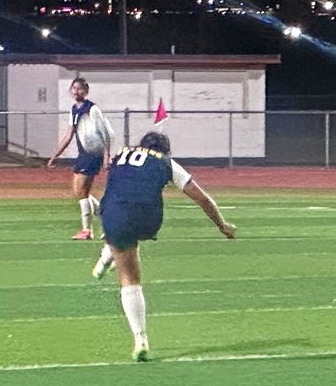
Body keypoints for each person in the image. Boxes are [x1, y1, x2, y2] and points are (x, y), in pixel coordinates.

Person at [91, 131, 236, 361]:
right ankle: (110, 250)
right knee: (129, 237)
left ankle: (140, 338)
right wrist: (222, 225)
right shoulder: (166, 162)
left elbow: (120, 186)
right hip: (148, 217)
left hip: (114, 213)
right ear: (165, 150)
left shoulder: (120, 155)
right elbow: (203, 198)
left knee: (127, 269)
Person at [46, 77, 113, 239]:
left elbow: (105, 133)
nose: (77, 91)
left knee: (81, 191)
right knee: (80, 192)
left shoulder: (92, 109)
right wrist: (55, 155)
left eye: (80, 89)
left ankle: (87, 230)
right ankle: (108, 223)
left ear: (86, 91)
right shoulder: (74, 110)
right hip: (83, 153)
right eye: (74, 88)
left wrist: (106, 156)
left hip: (92, 154)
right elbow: (69, 135)